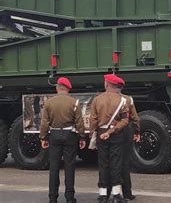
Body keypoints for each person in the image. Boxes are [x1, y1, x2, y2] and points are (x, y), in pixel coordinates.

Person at [39, 77, 87, 203]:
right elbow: (79, 122)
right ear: (68, 89)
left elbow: (44, 123)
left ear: (57, 88)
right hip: (69, 135)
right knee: (69, 166)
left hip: (54, 134)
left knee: (54, 167)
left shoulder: (49, 103)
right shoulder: (74, 102)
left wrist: (43, 137)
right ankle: (70, 197)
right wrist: (82, 137)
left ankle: (52, 197)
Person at [90, 74, 130, 203]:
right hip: (116, 133)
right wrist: (112, 131)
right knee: (116, 163)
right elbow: (125, 120)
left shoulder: (97, 99)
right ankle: (116, 195)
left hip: (101, 133)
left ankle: (102, 195)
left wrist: (93, 134)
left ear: (107, 84)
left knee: (103, 164)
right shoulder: (123, 100)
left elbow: (93, 120)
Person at [107, 90, 140, 201]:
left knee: (110, 162)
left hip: (110, 131)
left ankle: (107, 193)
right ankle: (127, 193)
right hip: (126, 131)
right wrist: (137, 131)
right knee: (125, 162)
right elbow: (134, 117)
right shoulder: (128, 99)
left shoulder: (104, 98)